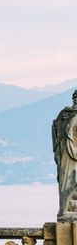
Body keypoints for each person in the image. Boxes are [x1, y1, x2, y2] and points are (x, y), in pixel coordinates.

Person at [51, 90, 77, 221]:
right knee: (72, 181)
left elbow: (54, 129)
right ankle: (68, 209)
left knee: (66, 182)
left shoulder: (63, 115)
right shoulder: (74, 116)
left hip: (63, 156)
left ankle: (65, 209)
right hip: (72, 156)